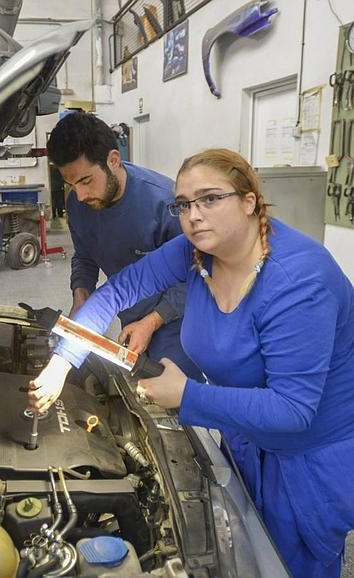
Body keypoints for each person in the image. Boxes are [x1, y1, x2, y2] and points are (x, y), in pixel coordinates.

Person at [29, 148, 354, 578]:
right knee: (244, 557)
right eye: (183, 204)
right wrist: (63, 360)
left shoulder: (298, 283)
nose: (193, 215)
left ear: (249, 201)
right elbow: (117, 292)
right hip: (243, 434)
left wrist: (187, 395)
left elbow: (293, 410)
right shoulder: (194, 252)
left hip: (306, 462)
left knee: (291, 567)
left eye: (209, 199)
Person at [46, 111, 202, 382]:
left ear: (113, 160)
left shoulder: (165, 203)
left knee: (175, 396)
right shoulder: (78, 204)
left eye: (85, 180)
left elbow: (195, 276)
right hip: (128, 315)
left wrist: (152, 321)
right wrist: (81, 298)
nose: (79, 195)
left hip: (178, 322)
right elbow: (85, 257)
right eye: (71, 184)